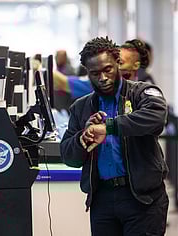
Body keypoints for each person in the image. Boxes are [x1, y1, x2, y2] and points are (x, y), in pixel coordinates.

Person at [60, 36, 169, 236]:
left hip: (142, 199)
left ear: (118, 63)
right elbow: (68, 157)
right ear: (88, 73)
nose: (102, 78)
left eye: (107, 70)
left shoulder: (141, 93)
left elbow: (157, 117)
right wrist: (82, 139)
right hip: (102, 201)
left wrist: (108, 127)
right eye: (95, 73)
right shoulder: (81, 108)